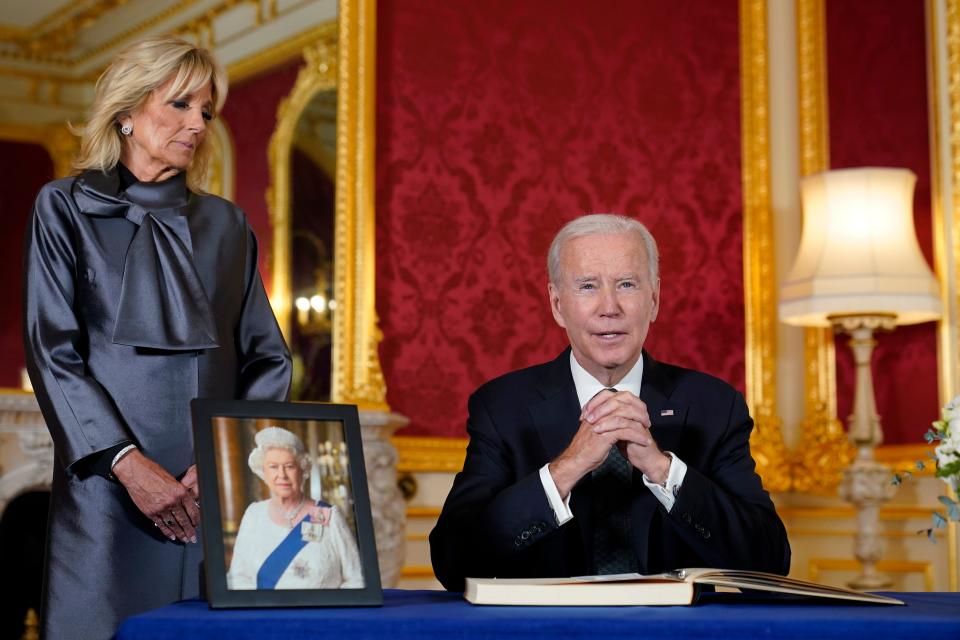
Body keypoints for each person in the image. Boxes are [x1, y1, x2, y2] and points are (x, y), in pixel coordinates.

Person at [23, 36, 292, 638]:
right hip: (106, 485)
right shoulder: (63, 207)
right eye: (179, 105)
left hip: (211, 492)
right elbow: (52, 350)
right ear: (126, 112)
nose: (196, 124)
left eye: (206, 112)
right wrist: (126, 463)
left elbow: (267, 357)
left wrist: (227, 459)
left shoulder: (227, 223)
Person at [429, 214, 790, 591]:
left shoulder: (714, 406)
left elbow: (769, 560)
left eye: (627, 285)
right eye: (587, 286)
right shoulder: (502, 407)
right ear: (556, 304)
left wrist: (662, 469)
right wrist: (567, 468)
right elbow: (454, 561)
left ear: (653, 301)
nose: (609, 307)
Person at [227, 427, 363, 589]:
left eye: (289, 466)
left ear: (303, 470)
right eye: (273, 467)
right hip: (266, 613)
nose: (282, 475)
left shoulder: (329, 515)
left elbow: (357, 579)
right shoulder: (254, 514)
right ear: (263, 472)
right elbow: (237, 577)